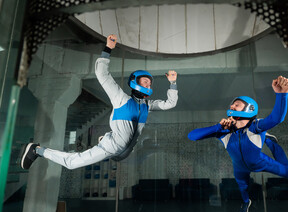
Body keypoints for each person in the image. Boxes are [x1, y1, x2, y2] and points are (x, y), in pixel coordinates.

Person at [20, 34, 178, 170]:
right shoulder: (121, 98)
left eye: (149, 83)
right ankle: (37, 150)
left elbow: (170, 104)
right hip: (113, 148)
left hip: (123, 151)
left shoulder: (146, 106)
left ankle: (106, 138)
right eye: (145, 82)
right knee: (73, 163)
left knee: (117, 153)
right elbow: (102, 73)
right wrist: (108, 48)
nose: (148, 85)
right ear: (135, 82)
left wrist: (173, 83)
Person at [188, 76, 288, 212]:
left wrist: (282, 95)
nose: (232, 106)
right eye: (232, 105)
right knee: (242, 186)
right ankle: (246, 202)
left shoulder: (255, 126)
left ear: (249, 108)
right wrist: (218, 127)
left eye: (236, 104)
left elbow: (276, 118)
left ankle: (270, 142)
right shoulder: (224, 133)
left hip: (259, 162)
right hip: (239, 167)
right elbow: (192, 136)